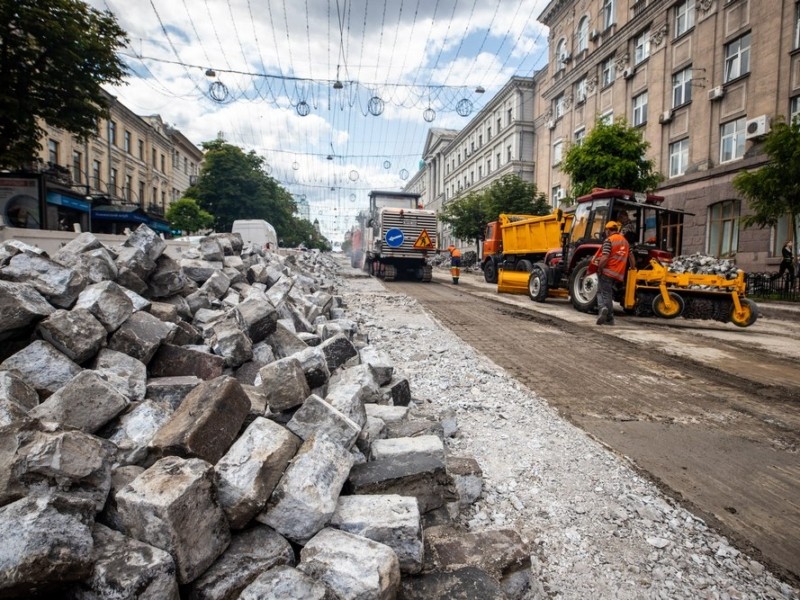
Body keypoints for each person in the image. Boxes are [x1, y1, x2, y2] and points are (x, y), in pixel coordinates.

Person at [592, 221, 634, 326]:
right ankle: (604, 311)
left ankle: (608, 316)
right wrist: (633, 268)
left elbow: (605, 256)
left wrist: (600, 268)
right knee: (606, 292)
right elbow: (631, 258)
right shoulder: (626, 242)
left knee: (603, 293)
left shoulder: (609, 240)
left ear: (608, 230)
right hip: (618, 273)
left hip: (607, 271)